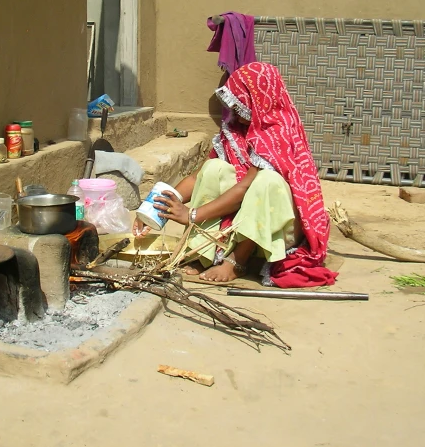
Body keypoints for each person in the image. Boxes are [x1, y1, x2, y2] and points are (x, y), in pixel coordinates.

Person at [132, 62, 338, 288]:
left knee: (266, 182)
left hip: (275, 227)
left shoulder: (277, 132)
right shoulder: (235, 131)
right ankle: (204, 252)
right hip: (240, 220)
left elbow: (244, 190)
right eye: (235, 108)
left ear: (260, 102)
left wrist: (192, 215)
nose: (237, 115)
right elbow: (197, 177)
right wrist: (156, 206)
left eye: (241, 107)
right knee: (214, 169)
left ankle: (237, 259)